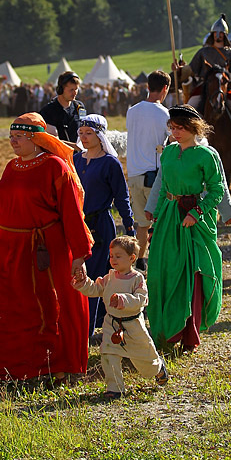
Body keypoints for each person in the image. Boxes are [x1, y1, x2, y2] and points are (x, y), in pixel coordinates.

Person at [0, 113, 93, 382]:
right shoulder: (11, 166)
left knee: (46, 308)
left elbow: (72, 214)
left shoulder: (55, 167)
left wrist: (79, 254)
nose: (13, 142)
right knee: (6, 305)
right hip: (9, 247)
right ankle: (7, 367)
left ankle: (52, 367)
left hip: (44, 250)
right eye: (11, 137)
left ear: (36, 139)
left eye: (19, 137)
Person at [147, 105, 225, 352]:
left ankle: (188, 332)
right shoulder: (168, 153)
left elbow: (217, 190)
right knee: (165, 272)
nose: (175, 132)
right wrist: (156, 220)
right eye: (172, 127)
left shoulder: (206, 155)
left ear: (194, 127)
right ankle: (166, 331)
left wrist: (197, 212)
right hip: (169, 218)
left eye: (180, 128)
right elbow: (163, 189)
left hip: (193, 219)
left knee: (192, 273)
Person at [72, 235, 168, 400]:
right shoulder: (109, 278)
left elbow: (142, 299)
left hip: (133, 326)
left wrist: (123, 300)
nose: (113, 259)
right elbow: (95, 289)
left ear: (132, 258)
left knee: (145, 363)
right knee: (108, 355)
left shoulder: (137, 279)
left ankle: (158, 368)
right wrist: (83, 283)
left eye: (118, 256)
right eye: (111, 256)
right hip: (112, 324)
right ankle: (115, 388)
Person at [73, 114, 135, 335]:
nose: (84, 137)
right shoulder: (77, 159)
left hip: (100, 225)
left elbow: (122, 197)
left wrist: (129, 227)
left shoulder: (110, 163)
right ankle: (77, 325)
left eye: (89, 133)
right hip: (78, 224)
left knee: (96, 276)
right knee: (76, 274)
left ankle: (88, 329)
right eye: (81, 133)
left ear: (100, 135)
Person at [126, 70, 171, 271]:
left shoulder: (132, 110)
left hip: (134, 172)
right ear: (165, 89)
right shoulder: (164, 114)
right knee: (161, 221)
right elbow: (171, 140)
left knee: (142, 224)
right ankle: (159, 261)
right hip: (153, 174)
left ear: (147, 86)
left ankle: (138, 262)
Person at [177, 14, 231, 132]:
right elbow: (192, 69)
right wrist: (178, 71)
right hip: (204, 87)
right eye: (215, 33)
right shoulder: (203, 52)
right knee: (188, 110)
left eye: (221, 33)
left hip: (224, 88)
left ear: (225, 35)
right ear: (212, 34)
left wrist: (226, 78)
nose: (218, 36)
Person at [40, 71, 86, 143]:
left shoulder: (80, 107)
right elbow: (52, 140)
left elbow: (84, 127)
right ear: (60, 90)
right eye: (71, 90)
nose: (75, 93)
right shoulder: (48, 111)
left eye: (76, 89)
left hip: (79, 153)